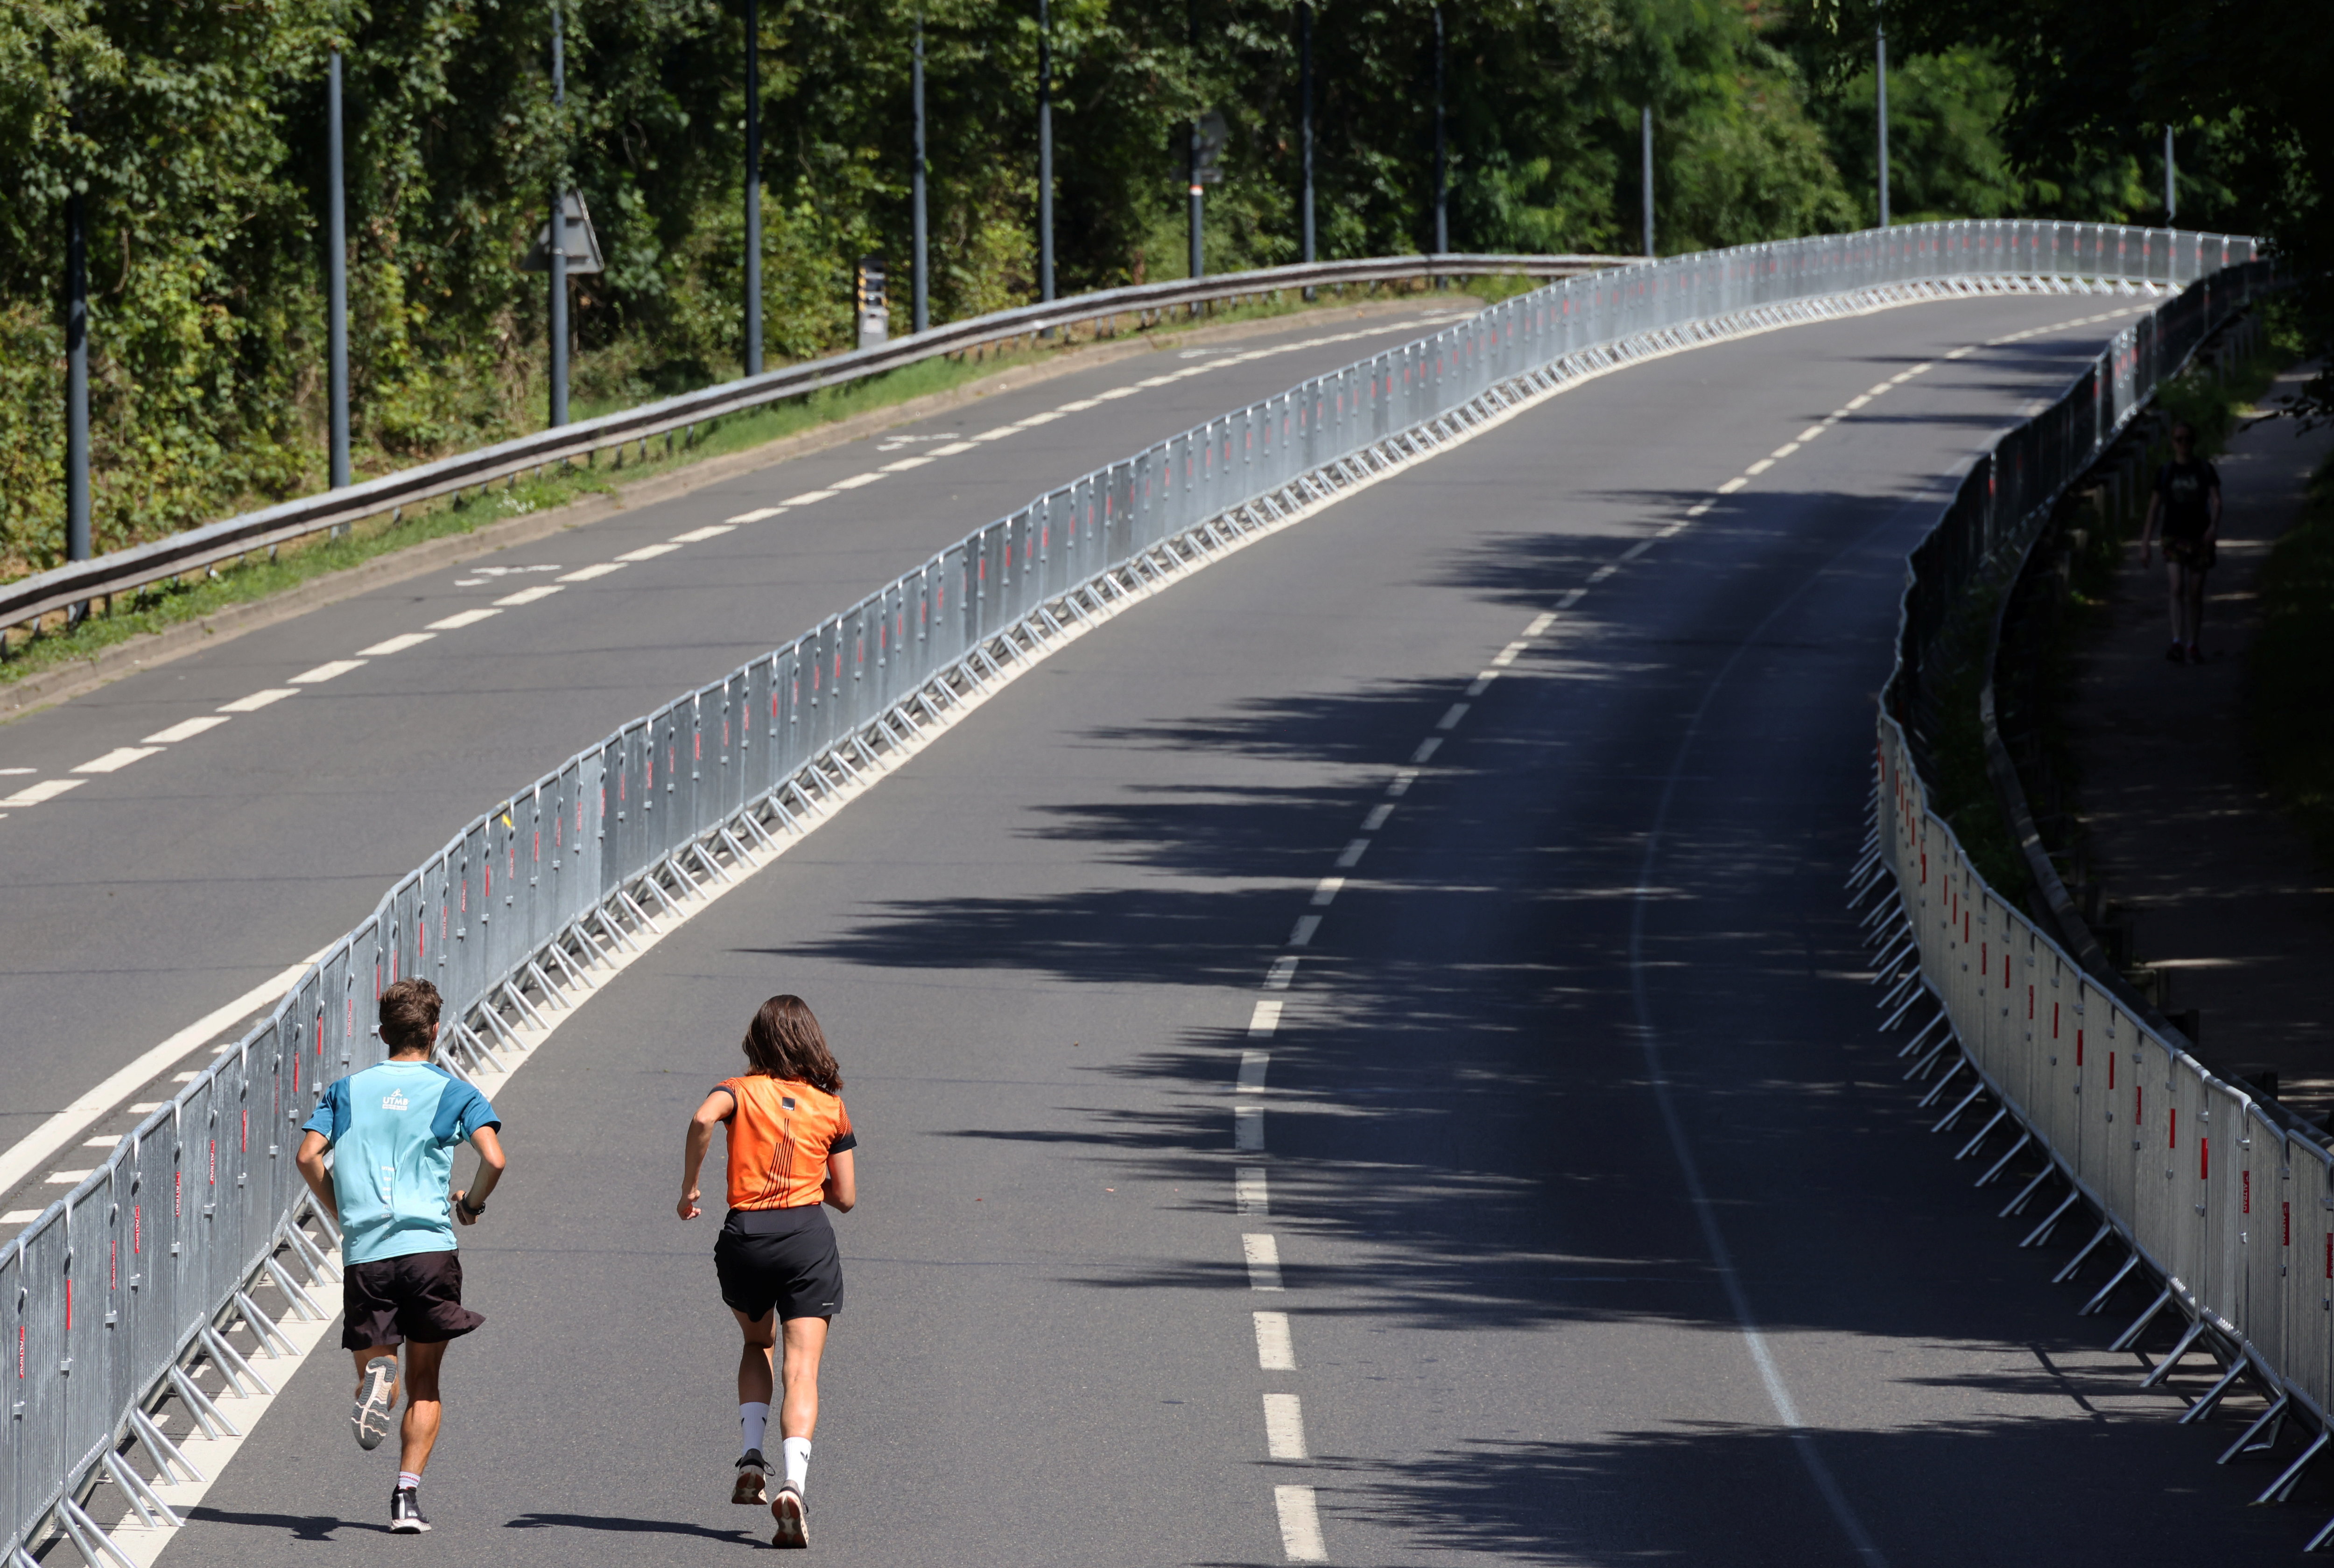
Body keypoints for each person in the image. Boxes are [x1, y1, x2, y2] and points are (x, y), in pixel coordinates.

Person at [295, 978, 505, 1535]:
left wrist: (341, 1207)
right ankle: (406, 1499)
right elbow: (495, 1157)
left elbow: (308, 1155)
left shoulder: (347, 1089)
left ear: (382, 1032)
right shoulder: (454, 1092)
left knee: (375, 1367)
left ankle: (375, 1379)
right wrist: (472, 1203)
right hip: (429, 1250)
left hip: (367, 1251)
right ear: (436, 1031)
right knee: (428, 1382)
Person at [678, 995, 858, 1550]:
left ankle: (750, 1454)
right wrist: (809, 1181)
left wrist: (689, 1187)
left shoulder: (737, 1089)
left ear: (757, 1041)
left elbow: (702, 1118)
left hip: (746, 1236)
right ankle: (794, 1487)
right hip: (805, 1236)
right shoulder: (830, 1107)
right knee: (802, 1368)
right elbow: (846, 1198)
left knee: (758, 1344)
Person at [2139, 421, 2223, 664]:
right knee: (2177, 588)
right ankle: (2177, 641)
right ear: (2172, 443)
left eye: (2187, 439)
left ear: (2193, 442)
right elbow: (2154, 509)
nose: (2184, 444)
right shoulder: (2166, 472)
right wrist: (2145, 543)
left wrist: (2213, 527)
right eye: (2179, 440)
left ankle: (2193, 643)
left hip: (2199, 537)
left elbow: (2217, 501)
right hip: (2173, 536)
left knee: (2196, 593)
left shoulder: (2205, 470)